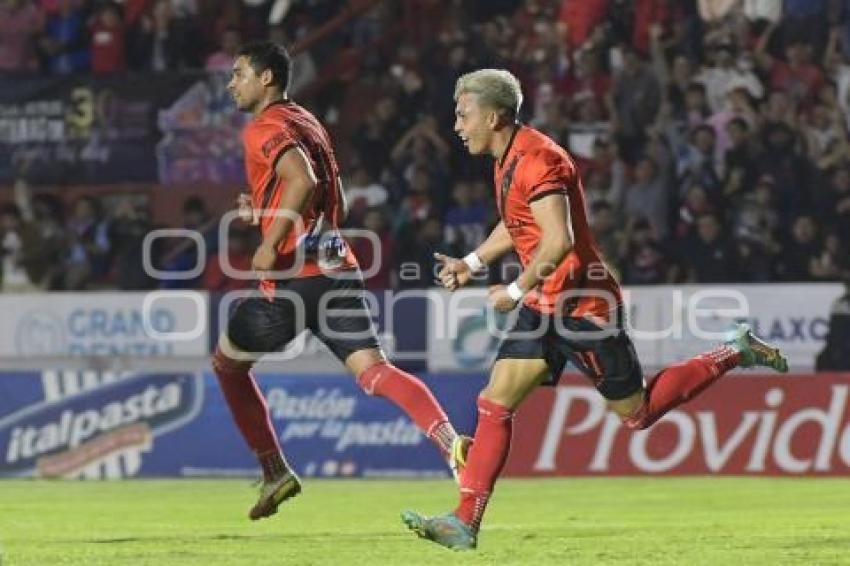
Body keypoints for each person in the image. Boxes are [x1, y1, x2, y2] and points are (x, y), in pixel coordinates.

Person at [400, 69, 789, 550]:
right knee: (494, 402)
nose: (457, 124)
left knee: (637, 414)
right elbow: (518, 222)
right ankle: (465, 521)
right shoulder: (507, 157)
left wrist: (514, 290)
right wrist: (473, 262)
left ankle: (734, 351)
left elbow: (559, 240)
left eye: (464, 114)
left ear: (494, 116)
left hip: (583, 304)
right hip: (545, 301)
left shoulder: (540, 159)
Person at [218, 41, 465, 521]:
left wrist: (272, 243)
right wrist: (266, 216)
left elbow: (303, 181)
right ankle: (451, 443)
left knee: (227, 364)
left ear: (267, 78)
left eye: (239, 73)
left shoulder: (264, 127)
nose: (233, 83)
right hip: (337, 269)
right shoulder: (308, 123)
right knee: (375, 373)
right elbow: (337, 203)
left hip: (293, 281)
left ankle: (274, 471)